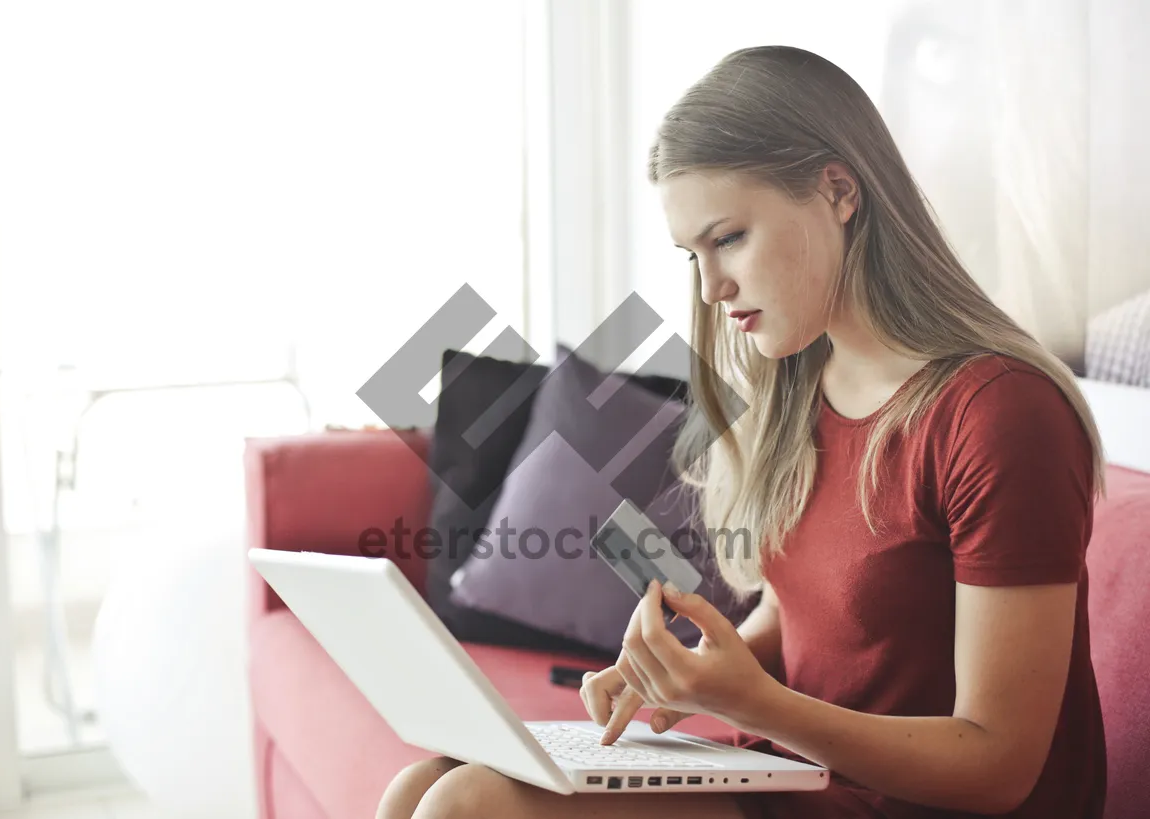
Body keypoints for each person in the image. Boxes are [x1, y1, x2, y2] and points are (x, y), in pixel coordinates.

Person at [375, 44, 1106, 819]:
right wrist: (681, 671)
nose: (711, 287)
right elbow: (804, 613)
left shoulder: (999, 413)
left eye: (728, 239)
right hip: (808, 779)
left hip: (916, 805)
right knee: (421, 785)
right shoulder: (803, 384)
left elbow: (999, 765)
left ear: (838, 190)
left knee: (470, 804)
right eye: (693, 254)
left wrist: (756, 706)